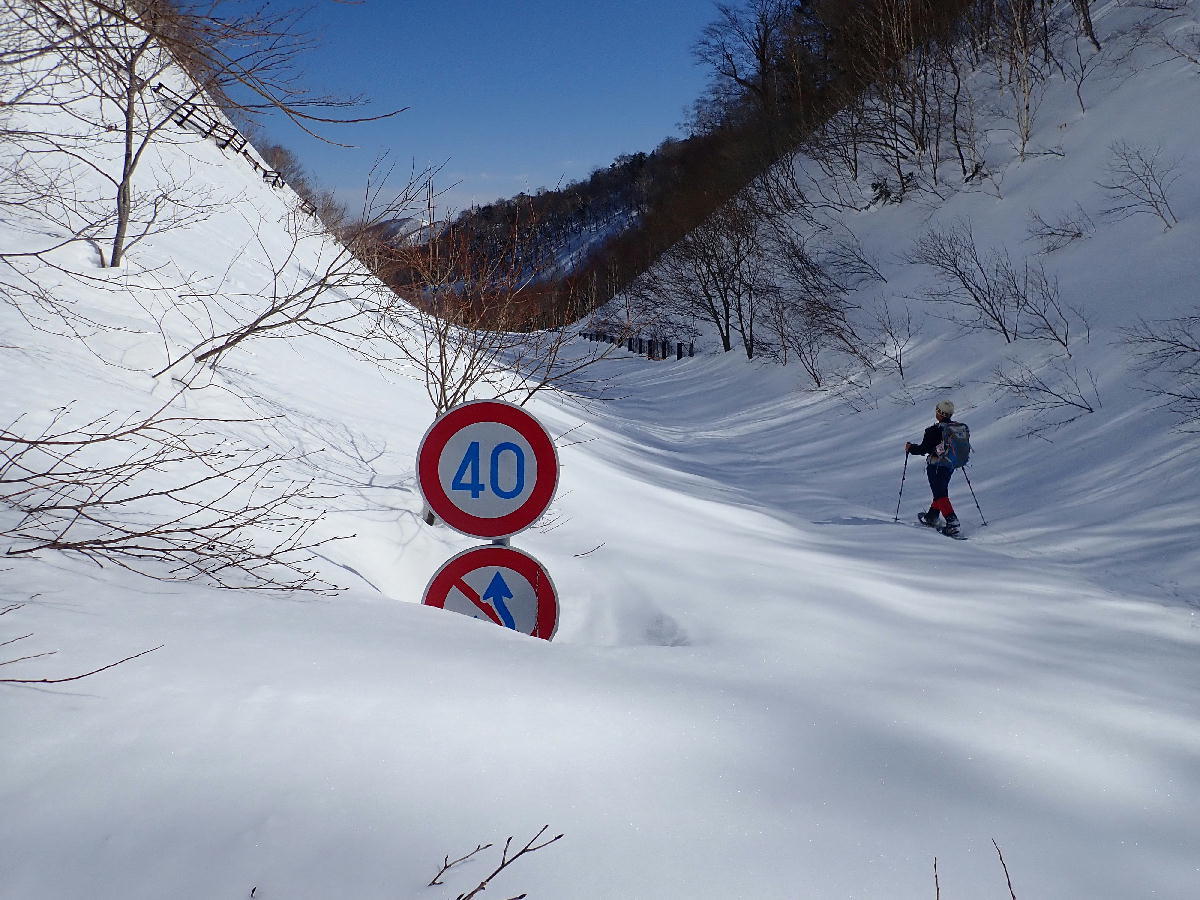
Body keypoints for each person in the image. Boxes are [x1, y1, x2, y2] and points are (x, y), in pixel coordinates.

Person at [905, 399, 962, 537]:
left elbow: (923, 449)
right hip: (950, 465)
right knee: (940, 490)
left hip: (936, 466)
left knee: (940, 493)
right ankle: (932, 516)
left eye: (937, 410)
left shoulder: (933, 431)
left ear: (940, 413)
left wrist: (910, 448)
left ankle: (952, 522)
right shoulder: (956, 428)